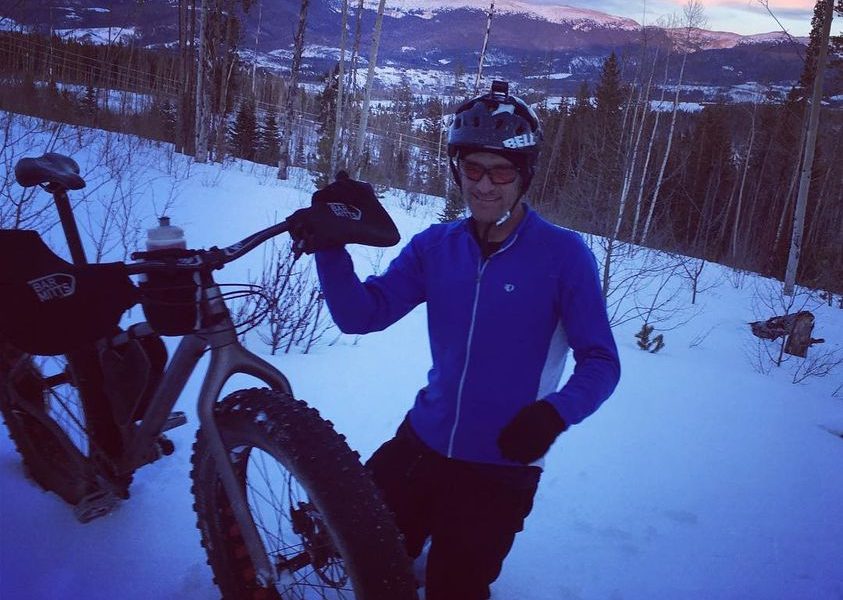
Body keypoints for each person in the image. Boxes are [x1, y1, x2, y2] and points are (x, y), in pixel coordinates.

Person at [293, 80, 620, 599]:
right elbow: (362, 315)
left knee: (453, 589)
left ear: (524, 174)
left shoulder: (563, 256)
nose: (484, 186)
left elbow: (601, 360)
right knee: (357, 551)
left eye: (501, 171)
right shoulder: (435, 247)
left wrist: (554, 414)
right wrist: (330, 246)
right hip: (420, 443)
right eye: (472, 169)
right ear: (457, 170)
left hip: (500, 466)